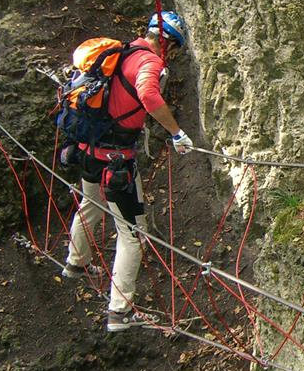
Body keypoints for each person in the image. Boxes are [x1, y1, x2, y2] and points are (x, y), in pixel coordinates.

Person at [60, 10, 194, 332]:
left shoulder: (122, 52)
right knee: (133, 234)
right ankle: (119, 311)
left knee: (90, 205)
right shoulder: (150, 62)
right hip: (116, 163)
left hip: (88, 151)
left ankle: (75, 263)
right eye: (174, 49)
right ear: (169, 45)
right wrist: (176, 133)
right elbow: (148, 94)